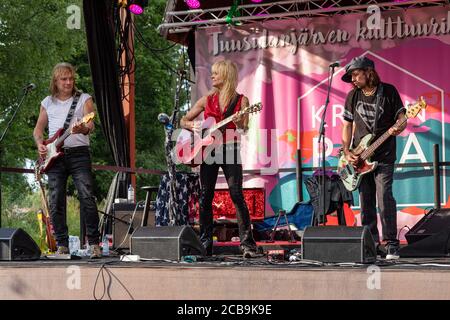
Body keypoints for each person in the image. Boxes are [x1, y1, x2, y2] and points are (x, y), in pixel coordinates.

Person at [180, 59, 259, 258]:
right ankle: (206, 242)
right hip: (209, 150)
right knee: (206, 196)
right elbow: (184, 119)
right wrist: (193, 126)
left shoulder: (242, 101)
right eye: (212, 73)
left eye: (216, 73)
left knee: (236, 194)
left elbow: (243, 128)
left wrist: (241, 120)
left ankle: (247, 244)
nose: (212, 76)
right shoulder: (207, 99)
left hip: (231, 148)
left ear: (226, 76)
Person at [341, 56, 407, 260]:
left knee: (384, 197)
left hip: (384, 155)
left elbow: (402, 118)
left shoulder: (388, 91)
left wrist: (400, 127)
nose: (353, 79)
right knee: (366, 201)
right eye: (351, 75)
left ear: (368, 72)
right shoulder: (353, 96)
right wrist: (346, 150)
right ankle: (371, 243)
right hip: (360, 158)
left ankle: (391, 244)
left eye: (356, 74)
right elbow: (347, 125)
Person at [33, 62, 101, 258]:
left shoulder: (84, 99)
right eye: (64, 79)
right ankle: (62, 244)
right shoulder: (47, 102)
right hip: (54, 156)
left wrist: (84, 128)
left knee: (86, 196)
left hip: (79, 152)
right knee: (56, 200)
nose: (68, 82)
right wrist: (40, 144)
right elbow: (38, 130)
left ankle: (94, 244)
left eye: (71, 78)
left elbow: (91, 124)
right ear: (56, 80)